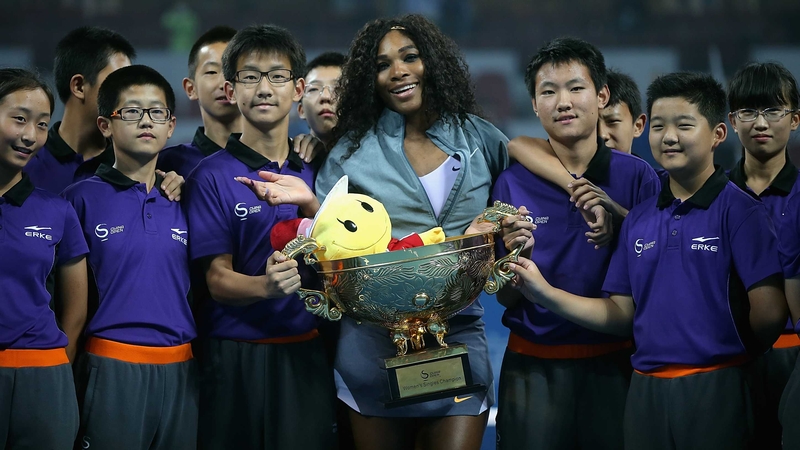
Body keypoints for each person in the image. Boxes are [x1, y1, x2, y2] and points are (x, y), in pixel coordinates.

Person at [509, 71, 788, 450]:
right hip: (644, 390)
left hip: (718, 384)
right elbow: (621, 313)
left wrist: (730, 359)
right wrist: (543, 292)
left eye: (684, 125)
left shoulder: (741, 211)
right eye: (659, 126)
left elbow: (769, 314)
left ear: (718, 135)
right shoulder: (639, 218)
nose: (668, 136)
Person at [313, 15, 530, 450]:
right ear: (368, 79)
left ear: (432, 62)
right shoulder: (349, 152)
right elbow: (326, 244)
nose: (398, 71)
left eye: (410, 57)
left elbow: (523, 175)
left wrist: (509, 223)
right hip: (372, 345)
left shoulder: (477, 136)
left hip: (460, 335)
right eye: (382, 64)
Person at [491, 37, 659, 450]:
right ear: (533, 104)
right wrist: (518, 262)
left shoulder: (638, 177)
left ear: (601, 96)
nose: (562, 102)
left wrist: (620, 220)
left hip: (618, 364)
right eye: (548, 91)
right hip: (532, 367)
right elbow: (507, 299)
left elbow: (654, 282)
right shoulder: (511, 181)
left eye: (575, 88)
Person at [183, 24, 337, 449]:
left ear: (299, 88)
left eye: (277, 76)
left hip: (306, 354)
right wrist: (265, 286)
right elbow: (216, 279)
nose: (264, 88)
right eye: (250, 77)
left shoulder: (319, 171)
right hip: (233, 357)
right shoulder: (209, 176)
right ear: (231, 91)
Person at [63, 65, 198, 450]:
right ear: (106, 125)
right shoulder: (79, 198)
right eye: (133, 111)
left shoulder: (186, 198)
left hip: (182, 369)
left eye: (157, 112)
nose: (146, 121)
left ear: (171, 126)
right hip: (110, 367)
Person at [0, 68, 88, 450]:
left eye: (41, 125)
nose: (30, 136)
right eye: (19, 119)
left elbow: (76, 307)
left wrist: (54, 368)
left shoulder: (57, 210)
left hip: (42, 378)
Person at [725, 62, 800, 449]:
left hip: (794, 357)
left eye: (773, 110)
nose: (761, 122)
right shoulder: (714, 196)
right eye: (749, 112)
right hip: (730, 361)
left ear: (796, 119)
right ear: (732, 121)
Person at [26, 26, 184, 200]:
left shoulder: (148, 165)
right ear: (79, 86)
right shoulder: (24, 161)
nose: (130, 91)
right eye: (117, 81)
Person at [157, 25, 241, 177]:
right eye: (211, 72)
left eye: (232, 71)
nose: (224, 84)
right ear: (191, 88)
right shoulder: (167, 165)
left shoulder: (278, 157)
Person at [298, 51, 346, 147]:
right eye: (313, 89)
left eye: (338, 88)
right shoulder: (290, 159)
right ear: (301, 110)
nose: (325, 96)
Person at [598, 69, 647, 155]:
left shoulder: (645, 169)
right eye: (591, 125)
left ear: (638, 126)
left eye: (612, 121)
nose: (602, 135)